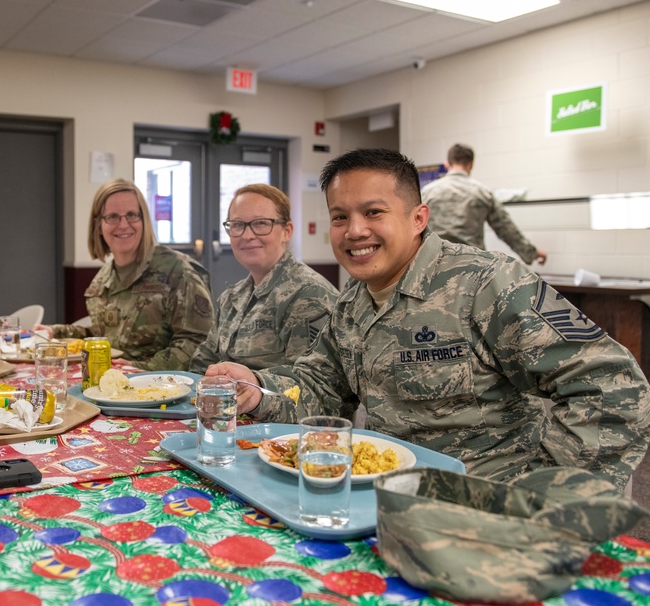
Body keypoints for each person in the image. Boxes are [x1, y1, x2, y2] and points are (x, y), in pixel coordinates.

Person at [208, 148, 649, 491]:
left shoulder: (487, 283)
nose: (355, 230)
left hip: (484, 508)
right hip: (388, 499)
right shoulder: (350, 306)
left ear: (418, 218)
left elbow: (614, 387)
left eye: (373, 212)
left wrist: (540, 492)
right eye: (340, 217)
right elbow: (320, 389)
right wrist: (255, 388)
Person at [39, 179, 214, 371]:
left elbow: (198, 342)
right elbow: (104, 334)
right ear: (99, 225)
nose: (123, 225)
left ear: (144, 220)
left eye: (132, 215)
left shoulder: (178, 270)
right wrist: (55, 332)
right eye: (113, 217)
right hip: (113, 387)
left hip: (163, 389)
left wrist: (139, 368)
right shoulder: (103, 278)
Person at [188, 184, 338, 373]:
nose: (247, 235)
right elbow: (203, 363)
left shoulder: (308, 295)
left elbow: (313, 386)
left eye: (260, 223)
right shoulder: (231, 298)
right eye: (237, 225)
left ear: (287, 231)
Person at [422, 143, 547, 264]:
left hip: (434, 264)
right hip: (472, 267)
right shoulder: (483, 192)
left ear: (447, 164)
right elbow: (506, 228)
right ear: (471, 164)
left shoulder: (427, 192)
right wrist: (532, 253)